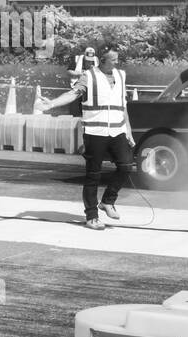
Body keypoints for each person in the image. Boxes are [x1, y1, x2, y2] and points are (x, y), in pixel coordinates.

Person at [38, 47, 135, 230]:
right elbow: (72, 94)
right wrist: (52, 103)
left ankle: (107, 201)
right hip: (95, 133)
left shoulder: (121, 76)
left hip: (118, 131)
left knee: (126, 166)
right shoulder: (89, 76)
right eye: (113, 59)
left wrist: (128, 130)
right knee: (93, 175)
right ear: (103, 60)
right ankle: (91, 216)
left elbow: (123, 105)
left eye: (117, 59)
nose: (116, 62)